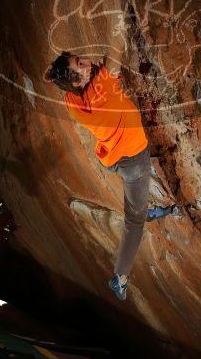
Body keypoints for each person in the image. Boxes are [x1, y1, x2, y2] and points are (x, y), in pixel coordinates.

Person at [44, 52, 173, 301]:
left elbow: (72, 78)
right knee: (133, 223)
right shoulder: (102, 88)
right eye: (80, 65)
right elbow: (114, 51)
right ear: (76, 81)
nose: (85, 62)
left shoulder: (72, 101)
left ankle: (146, 209)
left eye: (79, 59)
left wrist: (54, 72)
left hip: (112, 157)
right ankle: (120, 277)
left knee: (136, 198)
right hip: (133, 159)